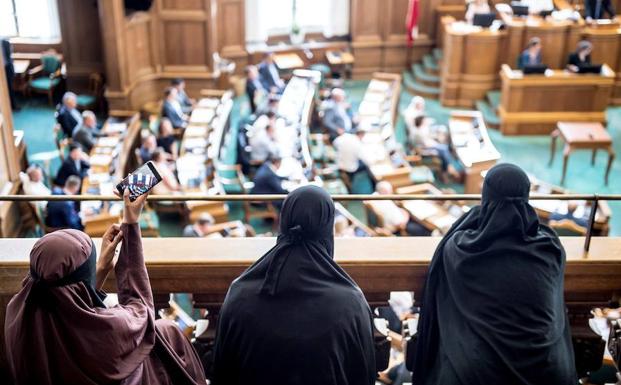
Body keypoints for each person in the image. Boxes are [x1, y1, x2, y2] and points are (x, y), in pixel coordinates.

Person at [6, 189, 206, 385]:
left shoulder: (18, 313)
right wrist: (131, 223)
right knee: (167, 332)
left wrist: (100, 269)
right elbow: (141, 310)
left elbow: (67, 305)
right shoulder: (106, 332)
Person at [410, 163, 577, 385]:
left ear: (485, 197)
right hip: (548, 372)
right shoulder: (550, 248)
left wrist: (475, 215)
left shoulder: (460, 249)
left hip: (476, 374)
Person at [212, 185, 376, 385]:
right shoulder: (351, 302)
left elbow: (221, 371)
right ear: (327, 228)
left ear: (284, 221)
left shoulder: (239, 292)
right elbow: (363, 374)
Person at [410, 115, 458, 182]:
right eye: (424, 120)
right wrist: (435, 144)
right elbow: (425, 145)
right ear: (421, 122)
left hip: (428, 146)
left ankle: (447, 169)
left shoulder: (421, 129)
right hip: (424, 151)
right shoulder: (418, 133)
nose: (425, 121)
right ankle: (447, 171)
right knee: (444, 150)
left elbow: (427, 140)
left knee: (444, 149)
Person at [2, 38, 18, 110]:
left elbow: (10, 58)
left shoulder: (5, 42)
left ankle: (13, 105)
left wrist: (12, 71)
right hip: (2, 69)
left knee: (10, 88)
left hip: (7, 68)